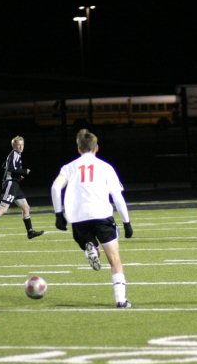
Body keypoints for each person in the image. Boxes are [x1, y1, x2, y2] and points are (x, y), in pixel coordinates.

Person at [51, 129, 134, 308]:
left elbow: (55, 188)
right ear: (96, 148)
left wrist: (58, 214)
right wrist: (127, 222)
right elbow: (117, 198)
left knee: (86, 238)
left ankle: (91, 247)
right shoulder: (105, 167)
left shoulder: (69, 167)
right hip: (102, 215)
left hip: (78, 219)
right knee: (115, 260)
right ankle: (120, 300)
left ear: (79, 149)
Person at [0, 136, 44, 242]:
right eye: (18, 144)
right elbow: (10, 168)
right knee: (3, 208)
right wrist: (23, 171)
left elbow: (4, 166)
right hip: (10, 184)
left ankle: (30, 232)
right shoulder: (14, 154)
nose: (21, 146)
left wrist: (17, 176)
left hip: (15, 184)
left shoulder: (15, 155)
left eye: (22, 144)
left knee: (26, 208)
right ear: (13, 146)